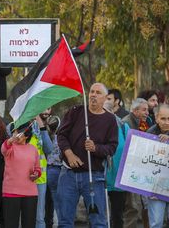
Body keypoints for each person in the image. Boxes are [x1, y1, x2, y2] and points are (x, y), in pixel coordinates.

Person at [57, 83, 118, 228]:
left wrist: (96, 148)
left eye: (98, 93)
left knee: (98, 222)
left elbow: (112, 147)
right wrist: (69, 154)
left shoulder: (110, 120)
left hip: (94, 176)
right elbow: (61, 135)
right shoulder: (76, 112)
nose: (93, 95)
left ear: (105, 98)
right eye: (91, 92)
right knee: (64, 221)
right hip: (68, 174)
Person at [1, 121, 41, 228]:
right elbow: (3, 149)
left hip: (30, 193)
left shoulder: (33, 149)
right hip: (11, 192)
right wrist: (10, 140)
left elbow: (37, 168)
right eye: (14, 131)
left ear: (26, 134)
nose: (16, 134)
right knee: (10, 225)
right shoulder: (10, 147)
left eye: (18, 131)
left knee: (29, 225)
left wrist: (36, 174)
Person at [122, 97, 150, 228]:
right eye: (144, 110)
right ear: (135, 110)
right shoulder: (125, 123)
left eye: (148, 110)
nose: (147, 113)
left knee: (146, 207)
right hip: (130, 171)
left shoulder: (146, 123)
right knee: (132, 207)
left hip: (145, 169)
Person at [104, 97, 130, 228]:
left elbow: (130, 151)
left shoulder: (123, 127)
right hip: (100, 179)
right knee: (99, 216)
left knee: (117, 215)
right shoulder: (92, 128)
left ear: (112, 112)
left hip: (118, 180)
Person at [146, 104, 169, 228]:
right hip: (156, 187)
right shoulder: (149, 134)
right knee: (156, 223)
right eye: (163, 118)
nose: (166, 122)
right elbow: (144, 163)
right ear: (156, 118)